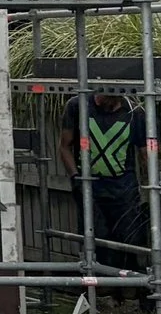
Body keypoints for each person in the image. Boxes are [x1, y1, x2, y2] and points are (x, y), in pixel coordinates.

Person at [59, 89, 150, 270]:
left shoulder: (134, 112)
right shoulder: (77, 106)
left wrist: (151, 185)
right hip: (89, 186)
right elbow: (64, 146)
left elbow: (145, 152)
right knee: (97, 239)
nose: (101, 102)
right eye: (100, 97)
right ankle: (104, 292)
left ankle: (129, 292)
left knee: (131, 239)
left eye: (108, 99)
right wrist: (75, 177)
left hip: (124, 187)